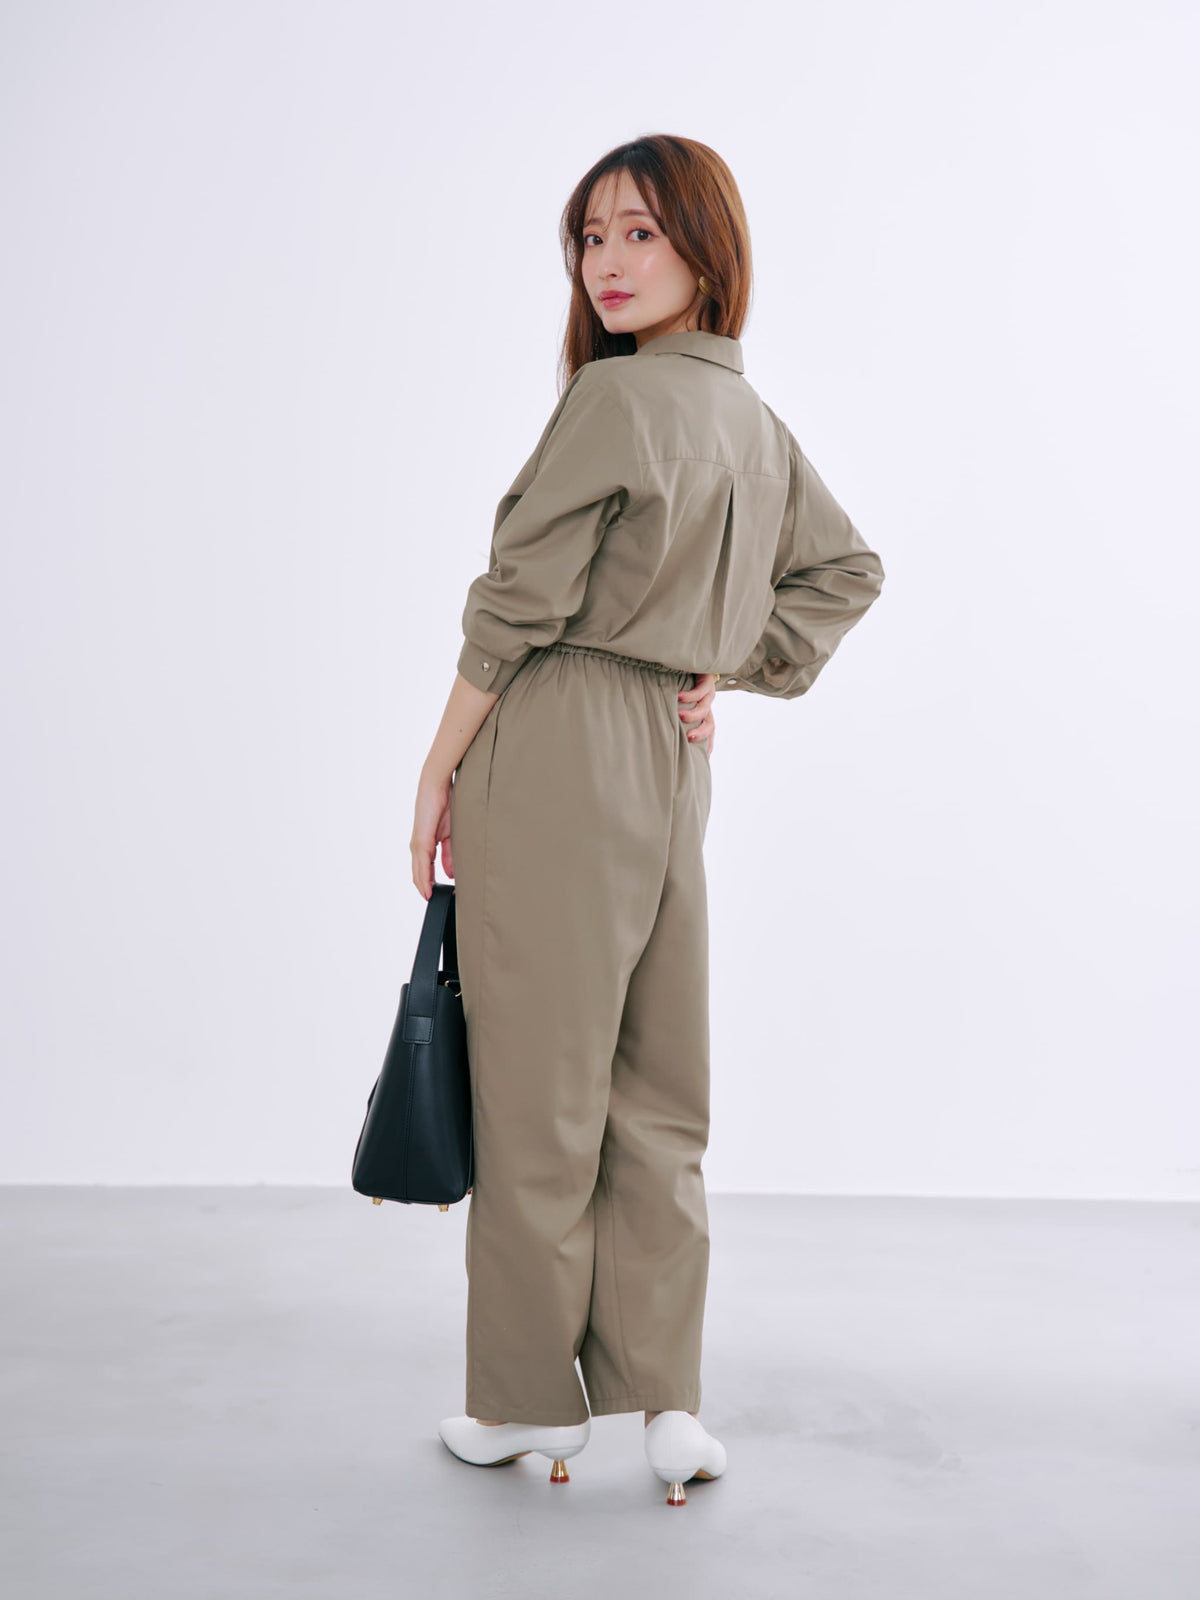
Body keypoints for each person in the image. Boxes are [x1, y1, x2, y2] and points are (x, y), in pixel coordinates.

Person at [410, 134, 886, 1506]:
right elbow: (845, 570)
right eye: (590, 236)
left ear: (704, 250)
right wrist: (722, 664)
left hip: (556, 740)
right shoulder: (751, 420)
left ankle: (526, 1405)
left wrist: (438, 768)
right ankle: (669, 1405)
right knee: (660, 1088)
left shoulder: (612, 401)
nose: (606, 264)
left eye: (640, 234)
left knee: (540, 1095)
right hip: (673, 765)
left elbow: (515, 606)